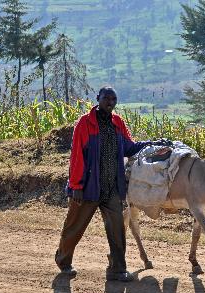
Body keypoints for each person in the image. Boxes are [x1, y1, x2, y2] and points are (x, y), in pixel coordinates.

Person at [55, 87, 159, 282]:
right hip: (88, 187)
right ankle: (63, 260)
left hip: (112, 187)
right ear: (98, 99)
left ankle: (117, 269)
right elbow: (76, 156)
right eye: (106, 98)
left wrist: (152, 144)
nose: (110, 102)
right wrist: (76, 186)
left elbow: (129, 147)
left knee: (117, 230)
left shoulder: (118, 122)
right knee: (75, 227)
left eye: (113, 98)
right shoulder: (85, 123)